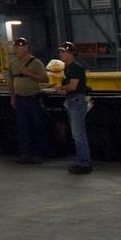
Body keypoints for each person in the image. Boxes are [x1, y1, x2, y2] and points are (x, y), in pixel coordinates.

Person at [8, 37, 49, 164]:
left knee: (37, 126)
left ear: (26, 48)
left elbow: (45, 79)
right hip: (20, 99)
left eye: (20, 47)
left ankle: (38, 153)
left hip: (33, 98)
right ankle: (25, 153)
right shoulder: (13, 63)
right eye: (16, 47)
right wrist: (12, 97)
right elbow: (11, 81)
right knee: (23, 127)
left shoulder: (35, 62)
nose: (18, 49)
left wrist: (28, 73)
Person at [53, 42, 91, 174]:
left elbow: (73, 86)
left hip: (76, 101)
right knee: (78, 134)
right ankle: (82, 160)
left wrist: (61, 88)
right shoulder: (68, 68)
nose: (60, 54)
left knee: (78, 134)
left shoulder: (75, 67)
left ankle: (84, 162)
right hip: (73, 100)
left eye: (63, 52)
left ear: (70, 53)